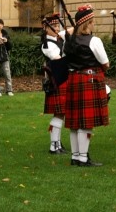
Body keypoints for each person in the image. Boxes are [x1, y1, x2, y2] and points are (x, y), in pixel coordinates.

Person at [63, 5, 109, 167]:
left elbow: (65, 59)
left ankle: (75, 156)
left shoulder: (68, 42)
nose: (94, 24)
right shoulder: (94, 41)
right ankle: (83, 158)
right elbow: (105, 63)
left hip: (74, 79)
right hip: (89, 80)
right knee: (85, 122)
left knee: (75, 122)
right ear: (87, 23)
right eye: (92, 21)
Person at [41, 13, 69, 154]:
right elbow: (58, 59)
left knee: (61, 114)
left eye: (58, 25)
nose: (57, 28)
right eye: (54, 25)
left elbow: (70, 31)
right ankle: (53, 145)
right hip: (56, 81)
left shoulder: (58, 38)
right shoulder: (47, 45)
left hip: (62, 79)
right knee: (58, 114)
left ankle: (57, 143)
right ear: (46, 28)